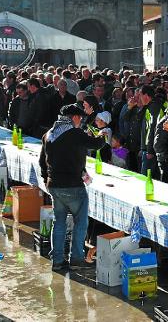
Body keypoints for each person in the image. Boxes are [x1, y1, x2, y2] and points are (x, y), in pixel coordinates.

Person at [39, 104, 105, 271]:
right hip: (72, 185)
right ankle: (76, 258)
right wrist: (102, 136)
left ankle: (57, 260)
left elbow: (42, 162)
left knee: (59, 222)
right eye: (80, 118)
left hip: (54, 185)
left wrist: (46, 179)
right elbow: (96, 144)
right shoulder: (74, 133)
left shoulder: (49, 134)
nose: (81, 120)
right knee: (80, 222)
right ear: (74, 117)